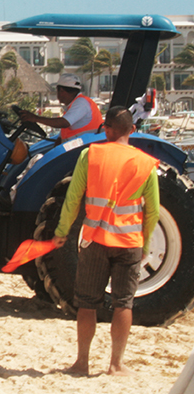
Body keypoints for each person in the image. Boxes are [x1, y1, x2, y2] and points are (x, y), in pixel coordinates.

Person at [52, 106, 160, 376]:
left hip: (95, 241)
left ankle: (81, 363)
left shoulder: (91, 154)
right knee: (124, 303)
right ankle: (116, 364)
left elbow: (73, 197)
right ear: (132, 130)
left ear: (107, 129)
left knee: (87, 303)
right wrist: (144, 245)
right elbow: (153, 211)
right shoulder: (146, 163)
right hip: (130, 244)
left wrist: (62, 231)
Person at [16, 73, 102, 141]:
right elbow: (63, 135)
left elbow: (64, 123)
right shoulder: (72, 106)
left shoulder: (81, 103)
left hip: (84, 150)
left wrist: (36, 118)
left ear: (61, 91)